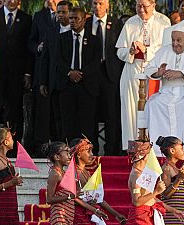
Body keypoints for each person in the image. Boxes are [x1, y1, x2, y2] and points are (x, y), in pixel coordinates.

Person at [144, 26, 184, 155]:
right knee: (153, 104)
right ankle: (159, 151)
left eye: (179, 40)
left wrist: (181, 73)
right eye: (173, 40)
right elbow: (148, 69)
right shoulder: (164, 51)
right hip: (167, 91)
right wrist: (158, 73)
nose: (175, 44)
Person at [116, 0, 170, 151]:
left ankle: (156, 147)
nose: (141, 10)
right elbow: (119, 51)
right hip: (132, 71)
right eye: (138, 6)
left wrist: (146, 50)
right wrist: (130, 52)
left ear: (153, 5)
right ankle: (132, 148)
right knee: (130, 110)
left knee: (154, 108)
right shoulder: (130, 22)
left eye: (145, 6)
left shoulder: (164, 22)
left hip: (155, 73)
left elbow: (167, 48)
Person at [0, 0, 33, 153]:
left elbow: (28, 48)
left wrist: (27, 73)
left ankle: (13, 147)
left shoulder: (26, 19)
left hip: (16, 73)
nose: (12, 1)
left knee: (14, 110)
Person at [85, 0, 125, 156]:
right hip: (91, 76)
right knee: (91, 115)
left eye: (101, 3)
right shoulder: (86, 23)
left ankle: (111, 151)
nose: (97, 7)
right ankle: (90, 151)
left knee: (111, 114)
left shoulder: (117, 24)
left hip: (111, 75)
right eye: (95, 3)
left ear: (107, 5)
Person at [56, 7, 101, 145]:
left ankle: (86, 150)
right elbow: (57, 59)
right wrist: (70, 72)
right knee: (68, 120)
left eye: (76, 18)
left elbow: (96, 61)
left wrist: (81, 73)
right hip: (67, 84)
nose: (73, 21)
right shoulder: (62, 38)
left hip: (86, 85)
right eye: (71, 18)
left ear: (84, 20)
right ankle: (69, 150)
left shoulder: (94, 40)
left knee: (87, 121)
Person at [28, 0, 62, 155]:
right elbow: (30, 41)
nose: (51, 1)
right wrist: (37, 47)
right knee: (41, 111)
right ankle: (40, 146)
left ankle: (59, 145)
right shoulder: (39, 16)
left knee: (57, 111)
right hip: (42, 69)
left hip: (59, 72)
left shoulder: (67, 14)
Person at [126, 140, 184, 224]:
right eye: (149, 154)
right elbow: (136, 202)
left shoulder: (141, 173)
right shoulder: (137, 175)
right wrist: (156, 191)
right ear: (142, 156)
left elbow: (151, 199)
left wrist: (173, 210)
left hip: (147, 215)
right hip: (140, 218)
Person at [69, 137, 127, 224]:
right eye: (88, 151)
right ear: (79, 154)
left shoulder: (86, 173)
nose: (92, 154)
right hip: (78, 217)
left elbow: (98, 198)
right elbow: (71, 198)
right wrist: (92, 208)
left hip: (90, 214)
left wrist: (116, 214)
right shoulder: (72, 173)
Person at [39, 1, 73, 144]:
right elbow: (45, 58)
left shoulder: (76, 30)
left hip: (72, 82)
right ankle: (58, 145)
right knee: (56, 116)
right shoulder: (51, 31)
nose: (60, 15)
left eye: (63, 12)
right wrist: (42, 82)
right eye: (58, 12)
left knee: (70, 116)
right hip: (54, 82)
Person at [0, 127, 23, 225]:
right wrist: (10, 183)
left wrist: (14, 181)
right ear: (5, 142)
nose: (13, 141)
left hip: (10, 207)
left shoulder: (6, 159)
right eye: (11, 138)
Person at [157, 136, 184, 225]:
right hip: (172, 217)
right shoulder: (166, 168)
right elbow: (165, 194)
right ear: (172, 151)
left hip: (180, 214)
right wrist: (179, 179)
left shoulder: (174, 167)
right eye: (181, 149)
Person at [44, 142, 76, 224]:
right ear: (57, 157)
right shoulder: (55, 174)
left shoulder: (64, 173)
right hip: (59, 216)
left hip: (68, 214)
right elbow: (49, 199)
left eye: (70, 153)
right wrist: (69, 196)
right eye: (67, 152)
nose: (70, 156)